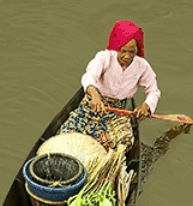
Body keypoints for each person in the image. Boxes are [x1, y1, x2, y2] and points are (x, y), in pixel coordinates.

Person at [59, 20, 160, 151]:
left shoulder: (142, 66)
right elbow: (89, 76)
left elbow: (154, 91)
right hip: (94, 103)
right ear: (116, 46)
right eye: (123, 51)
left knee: (126, 141)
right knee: (67, 134)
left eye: (132, 52)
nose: (127, 56)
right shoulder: (104, 58)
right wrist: (94, 95)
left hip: (118, 110)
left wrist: (146, 105)